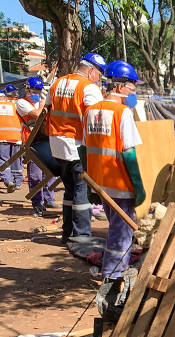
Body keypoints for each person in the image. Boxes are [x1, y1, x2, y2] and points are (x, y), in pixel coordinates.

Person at [81, 60, 144, 284]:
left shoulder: (90, 111)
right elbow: (128, 154)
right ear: (119, 87)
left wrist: (90, 185)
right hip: (119, 184)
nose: (132, 92)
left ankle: (117, 269)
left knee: (116, 228)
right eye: (132, 87)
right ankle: (113, 275)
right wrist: (138, 186)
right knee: (122, 233)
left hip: (99, 182)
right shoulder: (122, 112)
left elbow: (84, 149)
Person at [46, 52, 106, 242]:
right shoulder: (89, 88)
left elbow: (46, 108)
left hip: (57, 145)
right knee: (82, 191)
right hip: (77, 146)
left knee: (69, 189)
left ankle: (67, 233)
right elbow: (97, 118)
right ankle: (81, 237)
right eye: (99, 75)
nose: (99, 79)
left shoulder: (57, 83)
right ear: (90, 71)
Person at [16, 76, 58, 215]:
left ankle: (49, 199)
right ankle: (37, 203)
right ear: (27, 89)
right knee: (35, 175)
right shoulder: (21, 103)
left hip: (46, 140)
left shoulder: (40, 101)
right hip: (32, 142)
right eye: (33, 90)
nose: (36, 92)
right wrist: (43, 103)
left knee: (50, 172)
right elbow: (38, 114)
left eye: (38, 90)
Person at [0, 85, 23, 192]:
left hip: (1, 137)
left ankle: (8, 181)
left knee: (4, 160)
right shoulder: (16, 104)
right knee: (16, 160)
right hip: (16, 136)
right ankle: (17, 182)